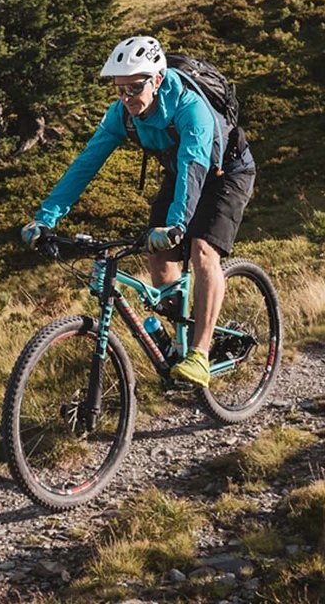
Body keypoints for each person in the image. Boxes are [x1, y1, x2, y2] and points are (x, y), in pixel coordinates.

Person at [22, 35, 256, 388]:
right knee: (159, 257)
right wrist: (46, 218)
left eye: (135, 87)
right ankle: (180, 341)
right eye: (120, 89)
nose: (127, 97)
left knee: (202, 250)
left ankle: (199, 355)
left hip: (225, 173)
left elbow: (194, 166)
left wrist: (177, 225)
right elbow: (86, 163)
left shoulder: (189, 109)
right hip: (181, 173)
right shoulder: (122, 113)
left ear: (158, 79)